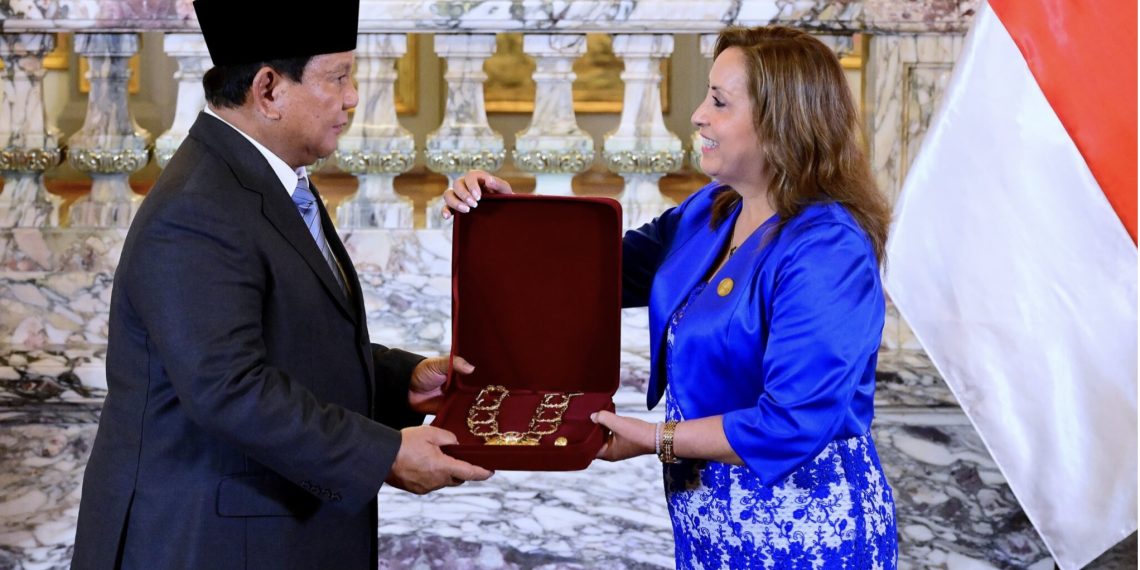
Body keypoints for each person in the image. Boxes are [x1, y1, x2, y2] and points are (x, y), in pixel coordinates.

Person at [443, 25, 897, 569]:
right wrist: (501, 220)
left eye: (719, 102)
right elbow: (585, 277)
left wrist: (655, 437)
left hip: (808, 530)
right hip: (708, 519)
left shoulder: (829, 249)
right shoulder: (713, 209)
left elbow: (793, 420)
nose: (698, 115)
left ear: (783, 123)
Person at [71, 2, 493, 568]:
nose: (351, 97)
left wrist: (401, 381)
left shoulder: (260, 175)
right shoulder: (197, 207)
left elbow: (288, 337)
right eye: (338, 77)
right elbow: (229, 387)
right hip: (206, 542)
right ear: (268, 89)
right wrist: (382, 454)